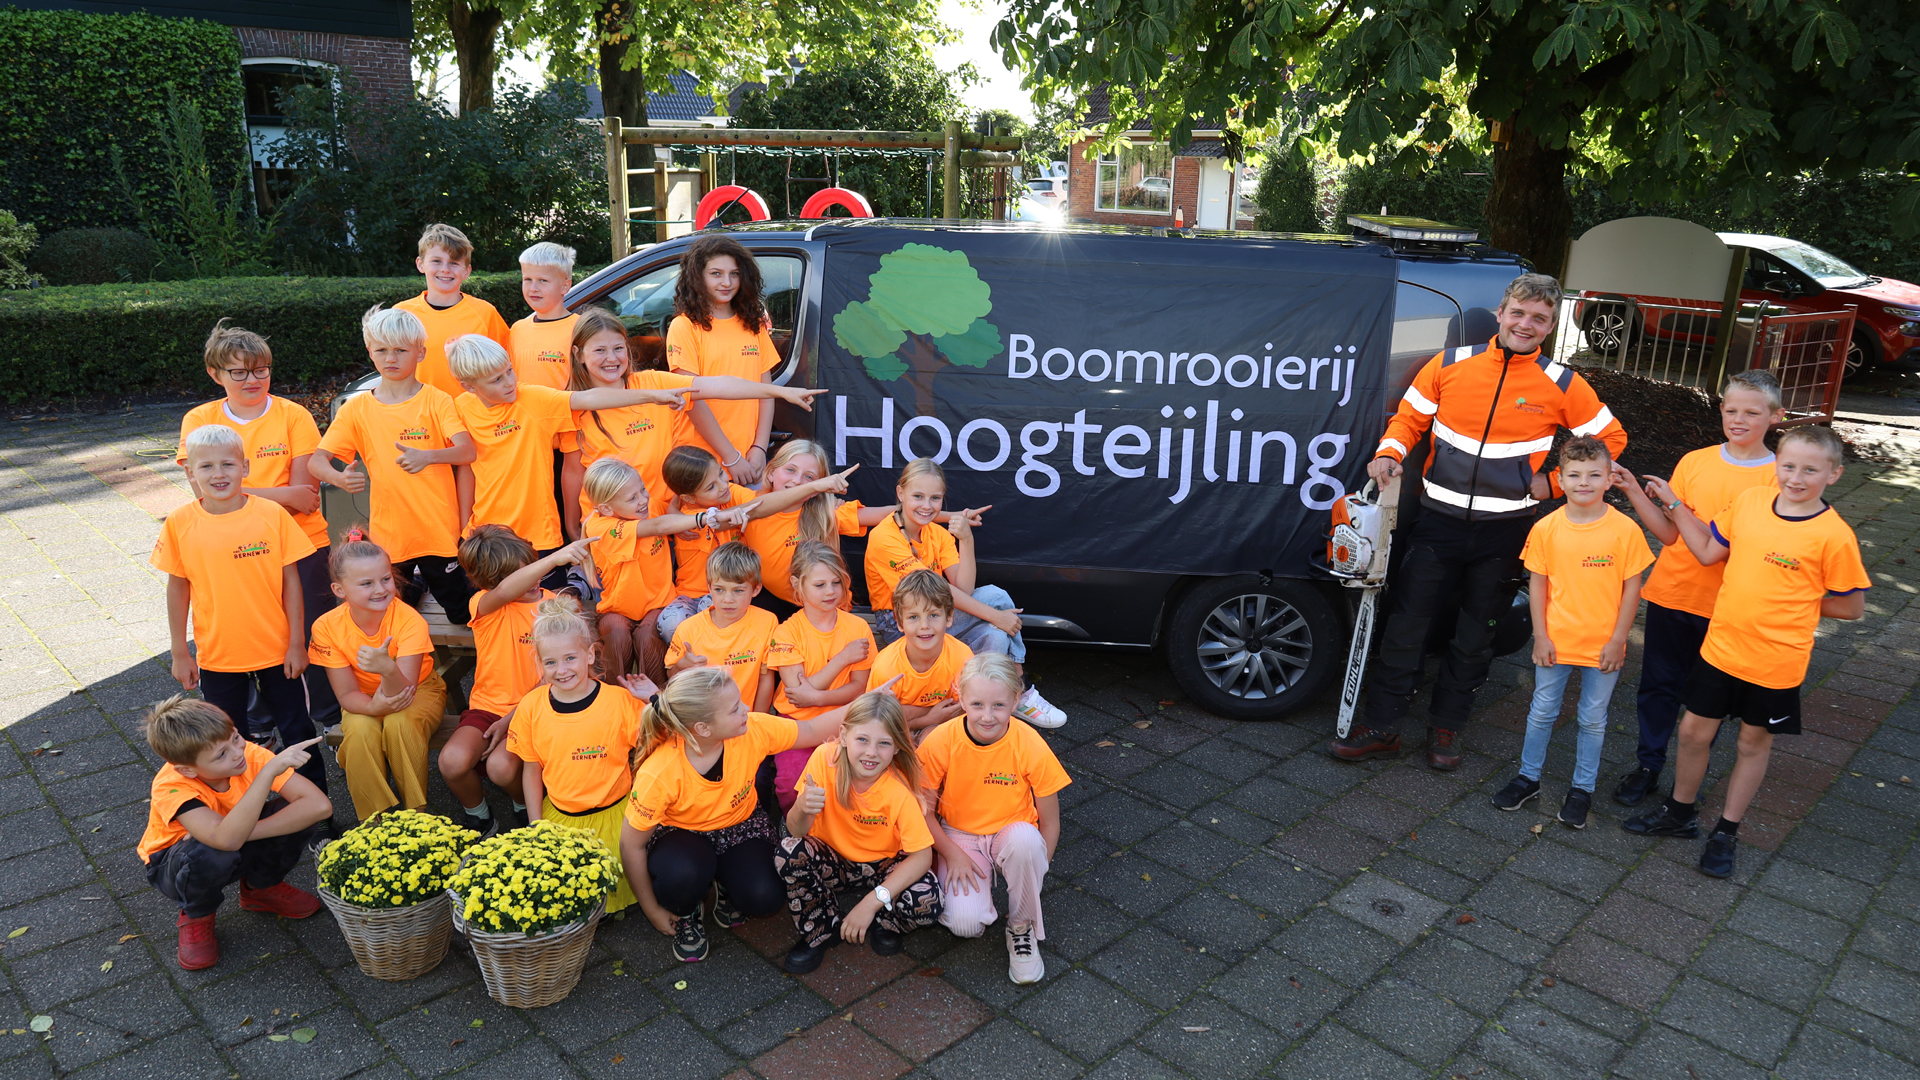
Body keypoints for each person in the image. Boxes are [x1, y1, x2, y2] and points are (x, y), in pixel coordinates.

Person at [1333, 272, 1627, 770]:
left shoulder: (1562, 384)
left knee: (1475, 637)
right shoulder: (1450, 365)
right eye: (1518, 313)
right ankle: (1383, 727)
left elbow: (1610, 441)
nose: (1526, 324)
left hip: (1505, 532)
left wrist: (1556, 483)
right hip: (1437, 523)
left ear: (1551, 326)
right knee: (1406, 626)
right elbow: (1408, 419)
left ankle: (1446, 728)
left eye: (1539, 318)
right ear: (1501, 314)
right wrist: (1389, 452)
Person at [1623, 425, 1869, 878]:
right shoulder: (1752, 501)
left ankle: (1726, 832)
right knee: (1693, 732)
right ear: (1777, 464)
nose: (1796, 477)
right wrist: (1671, 504)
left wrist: (1796, 598)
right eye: (1788, 466)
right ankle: (1680, 814)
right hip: (1721, 647)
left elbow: (1852, 606)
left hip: (1776, 660)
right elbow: (1705, 550)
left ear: (1833, 475)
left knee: (1751, 744)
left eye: (1810, 470)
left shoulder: (1834, 536)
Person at [1606, 369, 1785, 805]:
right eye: (1731, 410)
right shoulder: (1695, 461)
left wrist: (1676, 505)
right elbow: (1671, 535)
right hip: (1672, 595)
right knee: (1657, 687)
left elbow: (1726, 549)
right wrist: (1634, 491)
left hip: (1727, 608)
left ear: (1776, 416)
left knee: (1707, 701)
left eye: (1752, 412)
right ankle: (1648, 765)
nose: (1738, 420)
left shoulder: (1779, 478)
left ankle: (1689, 778)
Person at [619, 666, 860, 963]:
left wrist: (869, 702)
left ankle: (727, 886)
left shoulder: (753, 729)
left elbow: (811, 730)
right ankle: (689, 910)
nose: (747, 708)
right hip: (681, 835)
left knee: (765, 896)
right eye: (735, 708)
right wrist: (652, 910)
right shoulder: (659, 772)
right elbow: (631, 845)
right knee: (680, 877)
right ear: (703, 729)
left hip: (741, 824)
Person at [177, 320, 338, 732]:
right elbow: (207, 496)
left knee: (313, 633)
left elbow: (305, 495)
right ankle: (259, 725)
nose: (252, 380)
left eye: (261, 370)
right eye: (239, 372)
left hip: (303, 541)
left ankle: (328, 719)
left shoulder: (293, 415)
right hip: (229, 545)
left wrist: (242, 495)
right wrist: (280, 495)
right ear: (215, 374)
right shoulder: (199, 419)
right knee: (246, 633)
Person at [1489, 437, 1653, 828]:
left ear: (1609, 479)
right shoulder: (1546, 529)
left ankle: (1582, 789)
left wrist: (1619, 640)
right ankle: (1528, 778)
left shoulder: (1625, 530)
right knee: (1542, 710)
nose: (1584, 483)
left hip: (1604, 645)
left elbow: (1633, 589)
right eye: (1575, 475)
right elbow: (1538, 585)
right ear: (1560, 480)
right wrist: (1541, 636)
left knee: (1593, 719)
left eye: (1594, 475)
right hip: (1556, 641)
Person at [155, 425, 326, 796]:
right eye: (207, 467)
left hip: (278, 652)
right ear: (190, 472)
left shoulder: (272, 515)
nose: (218, 474)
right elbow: (178, 588)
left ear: (245, 467)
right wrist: (180, 652)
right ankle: (246, 810)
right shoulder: (180, 523)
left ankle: (317, 808)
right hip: (218, 656)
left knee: (298, 730)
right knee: (227, 742)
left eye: (228, 464)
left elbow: (292, 584)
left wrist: (297, 643)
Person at [445, 333, 691, 590]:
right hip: (486, 536)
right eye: (497, 379)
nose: (510, 382)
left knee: (546, 607)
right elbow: (467, 469)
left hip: (538, 535)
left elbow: (588, 398)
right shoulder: (461, 408)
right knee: (493, 605)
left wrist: (651, 396)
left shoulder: (532, 399)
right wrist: (465, 529)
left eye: (510, 371)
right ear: (469, 387)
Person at [561, 307, 822, 531]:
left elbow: (718, 385)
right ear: (578, 354)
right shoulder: (573, 406)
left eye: (618, 348)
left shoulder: (652, 383)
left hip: (667, 521)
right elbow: (573, 472)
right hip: (612, 529)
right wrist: (573, 527)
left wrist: (780, 392)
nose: (611, 358)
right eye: (600, 350)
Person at [865, 458, 1066, 728]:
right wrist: (996, 615)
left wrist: (967, 539)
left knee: (996, 634)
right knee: (995, 597)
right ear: (900, 493)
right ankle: (1020, 682)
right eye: (918, 496)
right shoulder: (885, 537)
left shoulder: (937, 533)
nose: (927, 506)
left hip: (937, 613)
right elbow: (936, 591)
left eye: (935, 498)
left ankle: (988, 697)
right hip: (901, 621)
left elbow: (965, 589)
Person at [310, 305, 476, 624]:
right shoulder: (356, 409)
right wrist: (339, 478)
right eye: (382, 350)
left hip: (440, 532)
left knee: (461, 615)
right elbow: (317, 462)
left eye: (401, 350)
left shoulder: (437, 400)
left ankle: (428, 586)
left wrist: (427, 456)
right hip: (390, 536)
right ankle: (416, 590)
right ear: (369, 352)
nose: (391, 358)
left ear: (420, 353)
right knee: (392, 617)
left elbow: (467, 451)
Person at [137, 696, 331, 970]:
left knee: (296, 814)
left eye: (236, 737)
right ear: (187, 769)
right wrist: (266, 775)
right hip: (172, 864)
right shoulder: (171, 786)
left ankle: (260, 889)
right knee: (209, 851)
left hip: (231, 838)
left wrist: (241, 833)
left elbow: (319, 806)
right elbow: (224, 841)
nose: (238, 752)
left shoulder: (245, 753)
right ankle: (197, 914)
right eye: (221, 755)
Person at [918, 653, 1070, 985]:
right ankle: (980, 890)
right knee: (964, 925)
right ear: (960, 697)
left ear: (1016, 700)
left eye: (999, 705)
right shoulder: (940, 741)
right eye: (977, 704)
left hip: (1013, 832)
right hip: (960, 835)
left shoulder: (1030, 743)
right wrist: (951, 854)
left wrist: (1034, 873)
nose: (987, 717)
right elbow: (923, 812)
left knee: (1027, 844)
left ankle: (1021, 926)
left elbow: (1050, 822)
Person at [438, 527, 594, 836]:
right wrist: (555, 559)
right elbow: (506, 591)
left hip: (536, 708)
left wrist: (510, 720)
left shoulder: (556, 608)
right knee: (451, 761)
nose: (534, 579)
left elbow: (555, 675)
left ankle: (524, 804)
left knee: (501, 767)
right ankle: (480, 817)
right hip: (487, 707)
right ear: (492, 582)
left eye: (531, 566)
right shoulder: (484, 605)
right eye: (521, 574)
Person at [508, 595, 657, 914]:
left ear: (590, 654)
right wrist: (536, 825)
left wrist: (653, 701)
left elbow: (655, 749)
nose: (561, 670)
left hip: (618, 815)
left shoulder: (619, 702)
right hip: (562, 817)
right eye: (550, 662)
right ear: (539, 664)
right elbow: (531, 769)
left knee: (626, 875)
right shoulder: (531, 707)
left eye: (570, 658)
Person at [777, 692, 942, 973]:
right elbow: (796, 830)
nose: (871, 752)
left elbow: (922, 856)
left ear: (897, 747)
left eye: (884, 743)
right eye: (862, 739)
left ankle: (886, 922)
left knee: (927, 903)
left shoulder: (900, 787)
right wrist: (801, 808)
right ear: (844, 736)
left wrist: (872, 902)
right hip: (834, 861)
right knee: (789, 851)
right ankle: (821, 928)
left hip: (885, 865)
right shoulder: (824, 759)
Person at [306, 537, 446, 822]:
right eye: (366, 583)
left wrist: (387, 669)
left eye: (385, 579)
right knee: (359, 730)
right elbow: (347, 695)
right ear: (339, 590)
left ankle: (415, 817)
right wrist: (373, 707)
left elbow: (404, 691)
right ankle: (373, 821)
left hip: (416, 689)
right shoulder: (326, 627)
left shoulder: (409, 620)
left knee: (399, 724)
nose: (380, 589)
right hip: (363, 696)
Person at [659, 445, 855, 642]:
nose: (723, 485)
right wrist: (816, 486)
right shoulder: (687, 518)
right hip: (695, 595)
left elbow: (763, 505)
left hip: (740, 593)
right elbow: (662, 523)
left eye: (721, 473)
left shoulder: (733, 494)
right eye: (710, 487)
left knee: (727, 609)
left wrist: (822, 495)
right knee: (683, 620)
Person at [579, 457, 749, 684]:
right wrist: (702, 519)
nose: (643, 500)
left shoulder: (653, 507)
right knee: (615, 632)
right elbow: (658, 526)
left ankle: (656, 695)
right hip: (617, 608)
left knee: (648, 635)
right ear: (606, 508)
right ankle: (615, 693)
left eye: (642, 490)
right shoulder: (599, 526)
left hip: (659, 603)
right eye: (632, 498)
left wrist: (680, 520)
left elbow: (675, 506)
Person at [667, 234, 786, 486]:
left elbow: (766, 392)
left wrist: (759, 447)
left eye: (734, 274)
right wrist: (731, 458)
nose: (727, 282)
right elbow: (691, 400)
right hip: (702, 466)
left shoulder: (753, 324)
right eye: (716, 274)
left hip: (750, 462)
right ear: (697, 277)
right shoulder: (684, 326)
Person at [767, 542, 877, 810]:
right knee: (791, 784)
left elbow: (859, 687)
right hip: (797, 723)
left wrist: (816, 696)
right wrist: (843, 658)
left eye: (836, 583)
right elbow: (797, 695)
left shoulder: (857, 627)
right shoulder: (786, 632)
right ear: (797, 584)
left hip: (845, 719)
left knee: (849, 783)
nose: (830, 591)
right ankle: (795, 827)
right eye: (820, 585)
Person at [741, 438, 890, 619]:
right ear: (771, 472)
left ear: (819, 487)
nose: (797, 481)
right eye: (790, 470)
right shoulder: (748, 502)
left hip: (825, 607)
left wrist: (919, 506)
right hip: (777, 601)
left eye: (809, 477)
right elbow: (712, 496)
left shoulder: (825, 513)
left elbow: (885, 514)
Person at [396, 223, 510, 398]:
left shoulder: (485, 314)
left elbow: (505, 369)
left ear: (467, 271)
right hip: (420, 412)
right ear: (420, 264)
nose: (445, 269)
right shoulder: (401, 314)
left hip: (472, 413)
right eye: (436, 261)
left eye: (454, 263)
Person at [665, 542, 780, 711]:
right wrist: (682, 665)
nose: (728, 599)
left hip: (746, 719)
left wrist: (759, 720)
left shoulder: (767, 622)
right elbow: (671, 676)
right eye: (719, 589)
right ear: (709, 587)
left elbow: (766, 678)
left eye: (738, 591)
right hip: (703, 719)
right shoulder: (688, 629)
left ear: (756, 589)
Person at [869, 570, 972, 741]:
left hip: (943, 729)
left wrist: (908, 712)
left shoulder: (961, 658)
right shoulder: (886, 668)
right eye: (913, 617)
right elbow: (876, 720)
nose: (924, 625)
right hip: (895, 733)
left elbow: (961, 711)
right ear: (899, 622)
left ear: (949, 617)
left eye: (933, 615)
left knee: (932, 739)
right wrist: (927, 718)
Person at [507, 242, 581, 390]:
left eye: (543, 280)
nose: (533, 288)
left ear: (565, 286)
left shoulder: (581, 329)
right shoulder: (517, 329)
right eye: (528, 279)